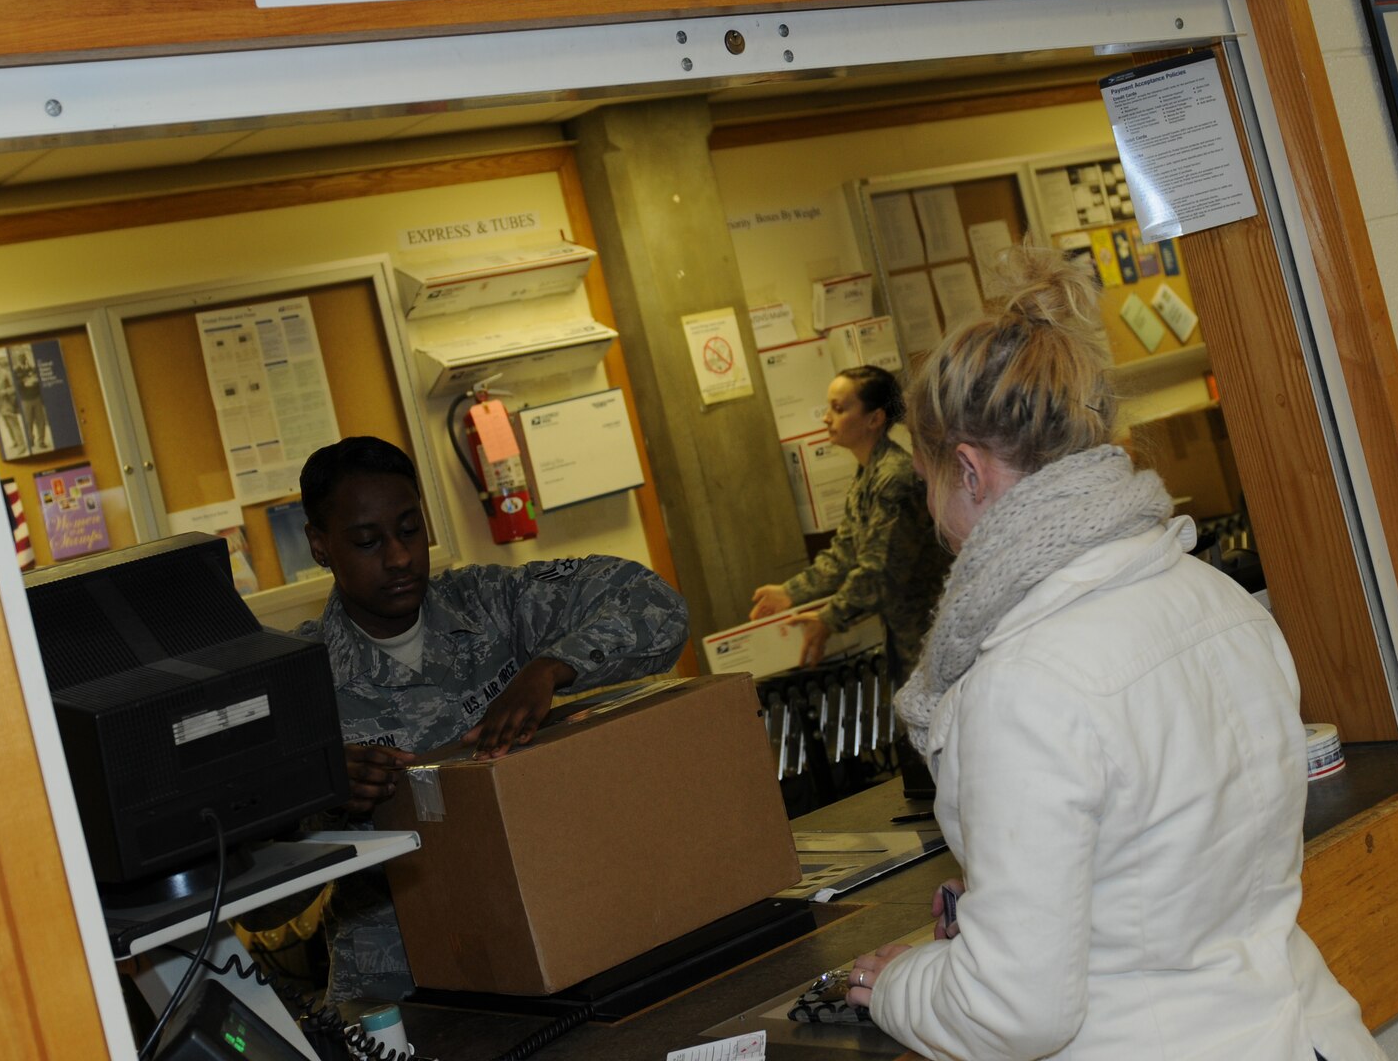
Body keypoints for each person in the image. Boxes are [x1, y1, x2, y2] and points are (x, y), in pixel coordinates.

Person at [843, 247, 1382, 1061]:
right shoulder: (1221, 603)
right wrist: (1007, 906)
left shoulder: (1019, 684)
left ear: (969, 471)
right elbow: (1175, 860)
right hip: (1309, 1033)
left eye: (929, 483)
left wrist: (896, 985)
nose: (934, 512)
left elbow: (1013, 1009)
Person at [294, 435, 689, 1002]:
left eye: (410, 530)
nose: (399, 557)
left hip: (550, 934)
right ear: (320, 545)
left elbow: (655, 602)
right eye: (367, 542)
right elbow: (255, 904)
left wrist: (552, 668)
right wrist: (318, 793)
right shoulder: (300, 685)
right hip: (398, 982)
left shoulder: (491, 603)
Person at [748, 365, 950, 798]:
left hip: (929, 633)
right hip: (905, 634)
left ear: (875, 418)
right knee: (924, 748)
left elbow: (877, 570)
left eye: (839, 408)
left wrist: (829, 619)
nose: (827, 417)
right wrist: (790, 592)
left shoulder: (894, 478)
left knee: (942, 743)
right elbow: (845, 554)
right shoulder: (868, 475)